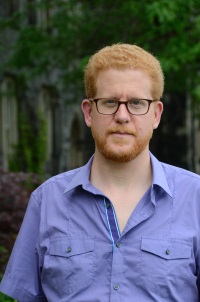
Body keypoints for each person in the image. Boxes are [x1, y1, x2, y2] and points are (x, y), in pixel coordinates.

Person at [0, 43, 200, 302]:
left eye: (137, 103)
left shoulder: (194, 199)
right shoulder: (47, 201)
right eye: (109, 102)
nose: (122, 116)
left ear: (156, 115)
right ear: (88, 112)